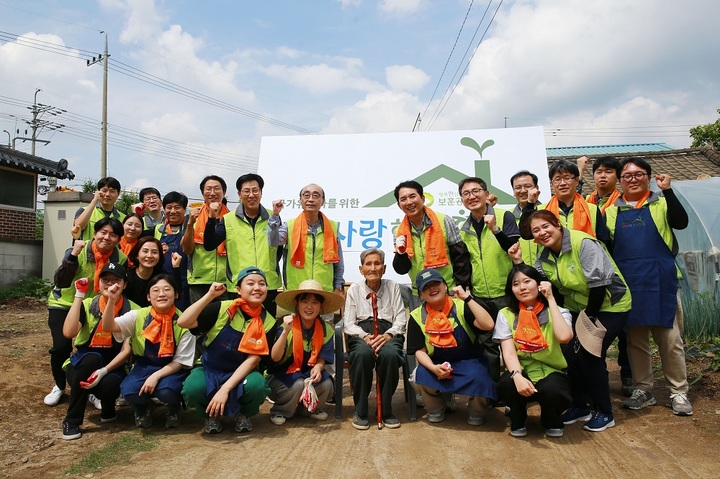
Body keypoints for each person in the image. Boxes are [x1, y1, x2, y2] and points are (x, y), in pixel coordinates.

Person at [516, 210, 631, 432]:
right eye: (536, 231)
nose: (542, 233)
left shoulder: (584, 243)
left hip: (609, 305)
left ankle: (604, 412)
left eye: (545, 226)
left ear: (557, 225)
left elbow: (599, 285)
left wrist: (588, 320)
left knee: (589, 353)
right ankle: (580, 406)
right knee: (570, 355)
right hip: (579, 306)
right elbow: (545, 286)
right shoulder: (544, 255)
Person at [605, 158, 693, 416]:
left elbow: (681, 222)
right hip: (629, 283)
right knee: (635, 341)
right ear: (620, 181)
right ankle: (643, 389)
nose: (633, 179)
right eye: (627, 175)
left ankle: (679, 391)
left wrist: (668, 190)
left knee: (670, 339)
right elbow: (606, 244)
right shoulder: (611, 211)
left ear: (649, 177)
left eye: (639, 174)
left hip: (660, 280)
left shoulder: (662, 203)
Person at [179, 267, 277, 434]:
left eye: (262, 284)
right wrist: (209, 296)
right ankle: (210, 415)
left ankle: (244, 414)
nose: (257, 288)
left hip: (242, 372)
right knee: (192, 388)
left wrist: (225, 389)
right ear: (238, 290)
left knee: (257, 386)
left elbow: (253, 360)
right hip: (210, 368)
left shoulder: (269, 322)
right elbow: (183, 322)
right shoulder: (222, 308)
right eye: (250, 283)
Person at [45, 217, 127, 407]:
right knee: (61, 346)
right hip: (65, 302)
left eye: (113, 235)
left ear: (118, 239)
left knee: (96, 349)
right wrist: (73, 254)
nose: (107, 237)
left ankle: (91, 388)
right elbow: (61, 280)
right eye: (103, 232)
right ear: (95, 233)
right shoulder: (80, 248)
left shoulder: (119, 257)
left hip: (96, 306)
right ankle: (59, 384)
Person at [101, 274, 195, 429]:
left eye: (167, 289)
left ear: (176, 294)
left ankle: (173, 409)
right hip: (144, 366)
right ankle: (142, 409)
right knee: (128, 391)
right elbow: (109, 326)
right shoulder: (137, 315)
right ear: (148, 297)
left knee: (166, 391)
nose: (162, 294)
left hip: (172, 368)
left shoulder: (184, 321)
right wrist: (111, 300)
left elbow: (180, 361)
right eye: (156, 290)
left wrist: (155, 376)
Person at [407, 268, 496, 426]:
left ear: (445, 286)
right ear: (420, 295)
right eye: (426, 287)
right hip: (437, 363)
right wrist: (434, 368)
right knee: (420, 373)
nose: (432, 289)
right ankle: (436, 408)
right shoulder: (415, 316)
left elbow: (488, 324)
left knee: (481, 374)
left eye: (436, 284)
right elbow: (419, 351)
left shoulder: (461, 306)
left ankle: (477, 411)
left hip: (469, 362)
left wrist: (468, 298)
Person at [493, 264, 573, 438]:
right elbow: (508, 353)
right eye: (516, 284)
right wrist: (517, 376)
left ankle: (551, 420)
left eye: (527, 281)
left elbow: (564, 337)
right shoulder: (505, 314)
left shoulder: (558, 312)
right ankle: (517, 418)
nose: (522, 287)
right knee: (507, 384)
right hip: (521, 369)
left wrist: (551, 299)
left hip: (551, 370)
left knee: (554, 389)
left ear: (539, 284)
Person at [60, 263, 136, 440]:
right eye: (105, 280)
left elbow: (127, 349)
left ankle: (108, 407)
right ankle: (72, 420)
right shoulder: (88, 304)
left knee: (109, 383)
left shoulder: (133, 309)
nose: (110, 285)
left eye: (116, 280)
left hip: (113, 365)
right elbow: (68, 333)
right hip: (81, 364)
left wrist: (104, 371)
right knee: (91, 360)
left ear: (125, 284)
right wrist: (79, 295)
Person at [458, 176, 520, 381]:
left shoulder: (504, 216)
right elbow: (464, 262)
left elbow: (513, 247)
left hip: (506, 292)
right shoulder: (463, 229)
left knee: (514, 343)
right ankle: (493, 392)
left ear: (486, 193)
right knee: (488, 348)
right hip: (480, 296)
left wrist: (495, 229)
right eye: (466, 194)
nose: (471, 196)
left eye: (476, 191)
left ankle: (519, 389)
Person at [343, 248, 407, 430]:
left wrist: (388, 335)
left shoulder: (392, 286)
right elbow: (348, 323)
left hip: (388, 332)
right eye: (368, 264)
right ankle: (361, 410)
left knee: (390, 355)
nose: (373, 268)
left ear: (384, 268)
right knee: (362, 354)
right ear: (361, 268)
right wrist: (365, 337)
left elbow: (401, 318)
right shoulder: (355, 289)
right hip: (362, 333)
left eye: (377, 263)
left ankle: (386, 410)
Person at [585, 155, 633, 396]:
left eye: (608, 171)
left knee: (625, 330)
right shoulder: (587, 202)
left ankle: (627, 374)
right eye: (598, 171)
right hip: (591, 274)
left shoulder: (622, 203)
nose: (602, 176)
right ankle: (596, 376)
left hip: (618, 271)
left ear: (618, 176)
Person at [204, 173, 282, 316]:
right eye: (246, 191)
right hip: (239, 287)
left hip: (267, 286)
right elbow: (209, 244)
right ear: (240, 194)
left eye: (255, 190)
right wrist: (211, 218)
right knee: (240, 332)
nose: (251, 195)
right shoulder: (228, 220)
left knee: (267, 331)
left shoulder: (273, 217)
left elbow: (279, 248)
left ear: (261, 193)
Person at [267, 279, 342, 425]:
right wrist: (285, 332)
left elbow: (322, 357)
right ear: (296, 304)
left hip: (308, 374)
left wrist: (319, 367)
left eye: (315, 302)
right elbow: (275, 357)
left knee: (327, 384)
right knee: (298, 383)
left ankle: (308, 410)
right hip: (281, 376)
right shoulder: (286, 327)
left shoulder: (326, 329)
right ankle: (280, 410)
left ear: (321, 306)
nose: (309, 307)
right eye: (305, 301)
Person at [391, 180, 471, 308]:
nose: (409, 202)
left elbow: (460, 256)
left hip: (448, 290)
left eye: (412, 196)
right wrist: (400, 254)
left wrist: (461, 286)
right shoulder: (399, 232)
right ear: (399, 205)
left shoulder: (444, 220)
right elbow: (401, 269)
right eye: (403, 199)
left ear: (422, 198)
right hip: (420, 294)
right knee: (424, 327)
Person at [269, 183, 345, 304]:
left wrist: (337, 287)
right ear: (300, 200)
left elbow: (338, 261)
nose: (310, 199)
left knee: (324, 323)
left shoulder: (332, 227)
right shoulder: (290, 226)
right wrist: (275, 215)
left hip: (324, 293)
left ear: (323, 201)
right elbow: (273, 242)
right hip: (297, 293)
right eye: (306, 195)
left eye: (316, 195)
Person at [519, 159, 609, 244]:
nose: (562, 183)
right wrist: (530, 204)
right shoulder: (542, 210)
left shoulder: (591, 209)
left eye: (567, 178)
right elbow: (526, 234)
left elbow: (604, 242)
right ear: (552, 183)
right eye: (557, 179)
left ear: (577, 180)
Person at [182, 175, 232, 303]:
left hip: (226, 281)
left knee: (224, 321)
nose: (212, 193)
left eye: (217, 189)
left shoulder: (232, 218)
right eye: (208, 189)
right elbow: (187, 250)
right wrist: (189, 224)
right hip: (199, 280)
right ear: (203, 193)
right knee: (199, 320)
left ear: (224, 192)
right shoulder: (193, 217)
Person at [153, 191, 190, 310]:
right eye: (169, 207)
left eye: (177, 207)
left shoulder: (190, 227)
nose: (173, 211)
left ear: (184, 209)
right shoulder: (159, 229)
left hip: (185, 281)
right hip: (163, 280)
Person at [73, 177, 125, 241]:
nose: (108, 194)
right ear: (98, 192)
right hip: (88, 250)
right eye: (104, 190)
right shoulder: (84, 211)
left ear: (118, 193)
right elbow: (78, 227)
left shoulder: (124, 218)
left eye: (112, 191)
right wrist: (95, 200)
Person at [510, 170, 542, 266]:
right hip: (521, 274)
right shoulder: (508, 216)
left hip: (549, 272)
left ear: (536, 188)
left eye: (527, 186)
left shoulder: (548, 210)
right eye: (518, 187)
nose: (523, 191)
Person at [125, 237, 165, 307]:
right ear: (137, 255)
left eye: (154, 252)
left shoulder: (162, 278)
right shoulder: (127, 277)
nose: (149, 255)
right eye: (145, 251)